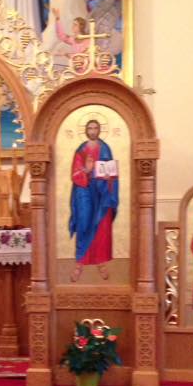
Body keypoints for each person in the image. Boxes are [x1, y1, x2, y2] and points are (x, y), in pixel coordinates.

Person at [69, 118, 119, 282]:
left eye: (95, 128)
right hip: (84, 192)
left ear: (99, 130)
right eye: (89, 128)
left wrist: (108, 177)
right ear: (86, 130)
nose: (92, 131)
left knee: (101, 226)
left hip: (101, 192)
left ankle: (100, 263)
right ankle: (80, 264)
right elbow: (75, 175)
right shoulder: (81, 150)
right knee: (84, 223)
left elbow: (112, 173)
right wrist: (87, 169)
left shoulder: (105, 149)